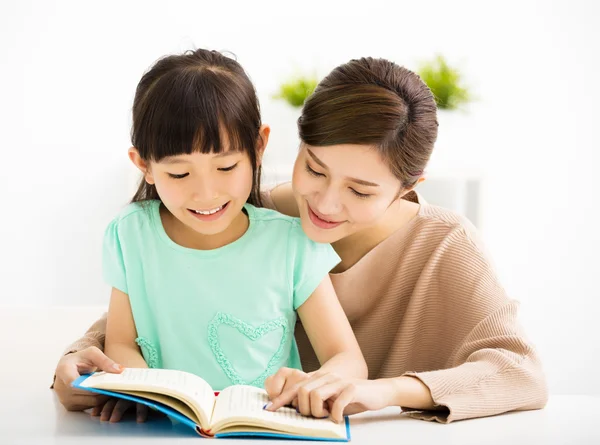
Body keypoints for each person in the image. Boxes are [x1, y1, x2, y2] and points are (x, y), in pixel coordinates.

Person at [53, 55, 548, 424]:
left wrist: (385, 391)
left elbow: (519, 370)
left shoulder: (445, 244)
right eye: (314, 168)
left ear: (409, 186)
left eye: (360, 189)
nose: (326, 204)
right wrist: (77, 362)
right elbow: (151, 307)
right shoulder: (248, 210)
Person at [62, 48, 367, 423]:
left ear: (258, 147)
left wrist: (315, 383)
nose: (205, 194)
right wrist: (137, 390)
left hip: (265, 426)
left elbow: (348, 359)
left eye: (225, 166)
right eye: (179, 174)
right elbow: (122, 342)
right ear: (144, 165)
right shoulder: (131, 235)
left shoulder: (291, 244)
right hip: (163, 427)